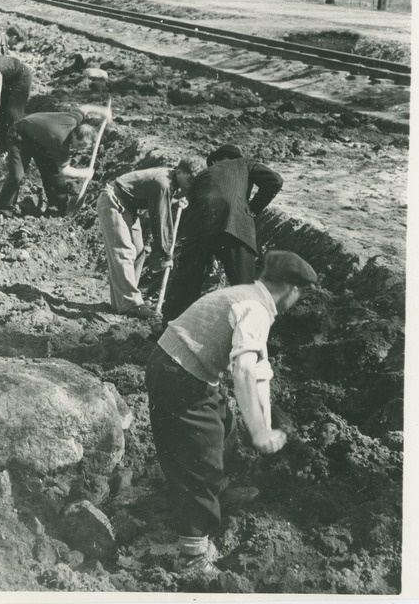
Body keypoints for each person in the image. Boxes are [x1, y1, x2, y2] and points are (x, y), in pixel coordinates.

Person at [146, 250, 318, 575]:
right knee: (200, 459)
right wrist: (261, 433)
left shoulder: (249, 295)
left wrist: (263, 423)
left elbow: (260, 370)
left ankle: (219, 495)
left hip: (182, 367)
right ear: (293, 290)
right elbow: (244, 374)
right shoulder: (255, 309)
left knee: (223, 427)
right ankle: (192, 555)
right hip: (179, 373)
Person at [162, 144, 283, 322]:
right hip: (236, 227)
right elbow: (275, 180)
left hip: (200, 228)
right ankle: (247, 335)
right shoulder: (245, 163)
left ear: (216, 160)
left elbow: (193, 211)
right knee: (245, 289)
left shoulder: (202, 175)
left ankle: (168, 327)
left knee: (185, 282)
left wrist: (207, 253)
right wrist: (251, 210)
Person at [97, 158, 201, 320]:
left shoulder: (169, 180)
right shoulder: (163, 183)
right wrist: (166, 254)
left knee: (139, 252)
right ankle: (131, 304)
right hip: (114, 201)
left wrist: (175, 200)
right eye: (190, 179)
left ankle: (124, 301)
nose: (191, 185)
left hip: (128, 207)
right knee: (124, 252)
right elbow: (161, 220)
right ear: (180, 172)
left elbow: (157, 196)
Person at [0, 102, 112, 216]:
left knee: (53, 172)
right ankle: (3, 210)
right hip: (20, 134)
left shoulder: (74, 119)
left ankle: (59, 207)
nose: (82, 149)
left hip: (41, 138)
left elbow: (86, 108)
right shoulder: (61, 142)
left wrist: (103, 111)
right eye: (81, 145)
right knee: (17, 175)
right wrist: (85, 173)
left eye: (86, 146)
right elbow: (66, 170)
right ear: (75, 135)